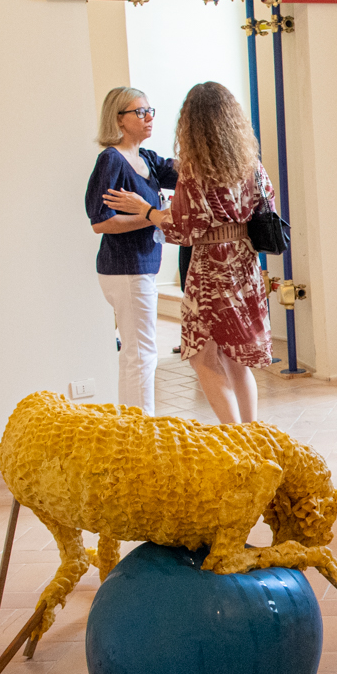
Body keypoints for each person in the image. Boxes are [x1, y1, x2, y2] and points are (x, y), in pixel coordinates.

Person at [105, 81, 276, 426]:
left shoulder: (195, 172)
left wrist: (147, 211)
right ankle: (252, 432)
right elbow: (267, 206)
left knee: (203, 357)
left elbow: (183, 230)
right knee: (237, 360)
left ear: (192, 125)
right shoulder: (252, 166)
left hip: (211, 269)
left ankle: (234, 434)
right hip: (245, 265)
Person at [84, 86, 178, 413]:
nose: (148, 117)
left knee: (135, 353)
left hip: (141, 266)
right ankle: (141, 429)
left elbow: (183, 173)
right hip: (126, 268)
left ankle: (130, 423)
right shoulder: (111, 160)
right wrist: (152, 215)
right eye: (140, 112)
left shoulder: (145, 158)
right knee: (142, 353)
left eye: (150, 110)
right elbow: (101, 222)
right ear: (119, 119)